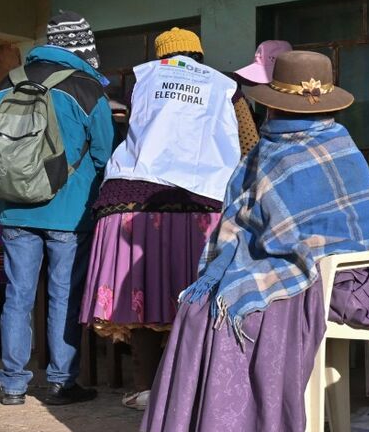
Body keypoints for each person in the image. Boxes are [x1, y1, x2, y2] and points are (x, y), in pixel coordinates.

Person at [141, 51, 369, 432]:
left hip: (335, 275)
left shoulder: (335, 146)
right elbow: (249, 216)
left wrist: (264, 251)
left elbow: (335, 226)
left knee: (249, 313)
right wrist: (245, 255)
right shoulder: (270, 147)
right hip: (279, 257)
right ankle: (196, 426)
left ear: (276, 103)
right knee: (202, 306)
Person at [79, 28, 258, 408]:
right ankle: (189, 387)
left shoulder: (142, 79)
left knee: (143, 295)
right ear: (199, 55)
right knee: (193, 296)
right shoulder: (225, 86)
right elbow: (248, 143)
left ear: (161, 57)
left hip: (129, 201)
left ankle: (146, 386)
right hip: (200, 202)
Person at [0, 10, 114, 407]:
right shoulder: (87, 89)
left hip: (14, 210)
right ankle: (62, 382)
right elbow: (103, 154)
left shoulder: (6, 85)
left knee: (18, 294)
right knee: (64, 295)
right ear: (83, 48)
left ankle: (12, 384)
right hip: (68, 211)